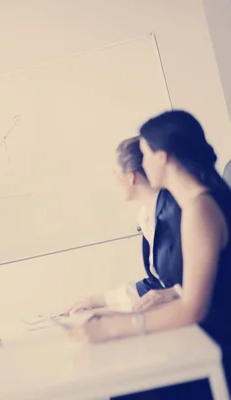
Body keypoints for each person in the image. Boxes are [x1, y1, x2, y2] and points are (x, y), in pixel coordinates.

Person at [70, 110, 231, 399]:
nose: (141, 165)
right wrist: (172, 293)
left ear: (163, 157)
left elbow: (194, 309)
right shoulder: (202, 202)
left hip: (217, 350)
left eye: (144, 155)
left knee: (124, 388)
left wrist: (113, 328)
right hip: (205, 339)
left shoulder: (199, 208)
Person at [68, 136, 182, 314]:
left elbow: (182, 284)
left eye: (115, 172)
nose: (114, 179)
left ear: (131, 176)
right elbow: (158, 284)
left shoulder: (176, 213)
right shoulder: (147, 216)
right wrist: (99, 300)